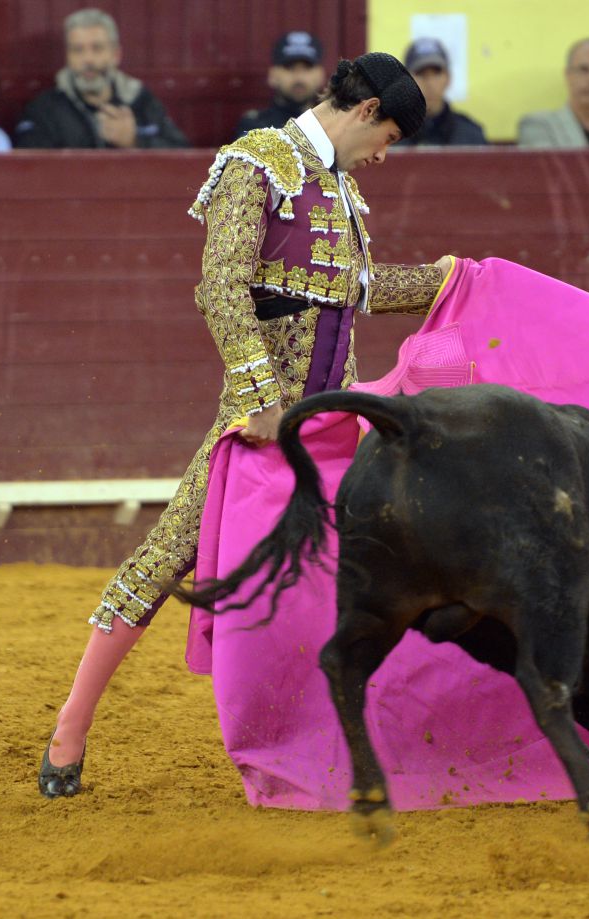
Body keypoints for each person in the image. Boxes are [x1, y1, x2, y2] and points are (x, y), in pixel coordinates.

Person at [38, 51, 451, 798]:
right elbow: (220, 285)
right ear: (364, 113)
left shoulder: (342, 190)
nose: (386, 155)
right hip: (259, 423)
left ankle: (359, 742)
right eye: (388, 136)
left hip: (333, 422)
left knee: (379, 567)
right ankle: (69, 729)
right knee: (168, 555)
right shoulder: (258, 162)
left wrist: (446, 279)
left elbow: (353, 292)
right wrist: (258, 395)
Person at [13, 7, 188, 149]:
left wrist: (134, 141)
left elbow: (182, 157)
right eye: (78, 50)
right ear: (68, 56)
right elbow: (29, 170)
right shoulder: (44, 109)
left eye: (97, 48)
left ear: (116, 54)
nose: (87, 59)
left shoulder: (142, 101)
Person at [232, 31, 327, 140]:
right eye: (290, 68)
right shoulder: (255, 126)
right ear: (273, 75)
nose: (299, 77)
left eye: (307, 68)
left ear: (321, 75)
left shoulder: (331, 125)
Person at [399, 37, 487, 146]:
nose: (429, 83)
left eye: (436, 73)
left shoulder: (471, 136)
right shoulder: (391, 135)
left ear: (448, 78)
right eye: (421, 74)